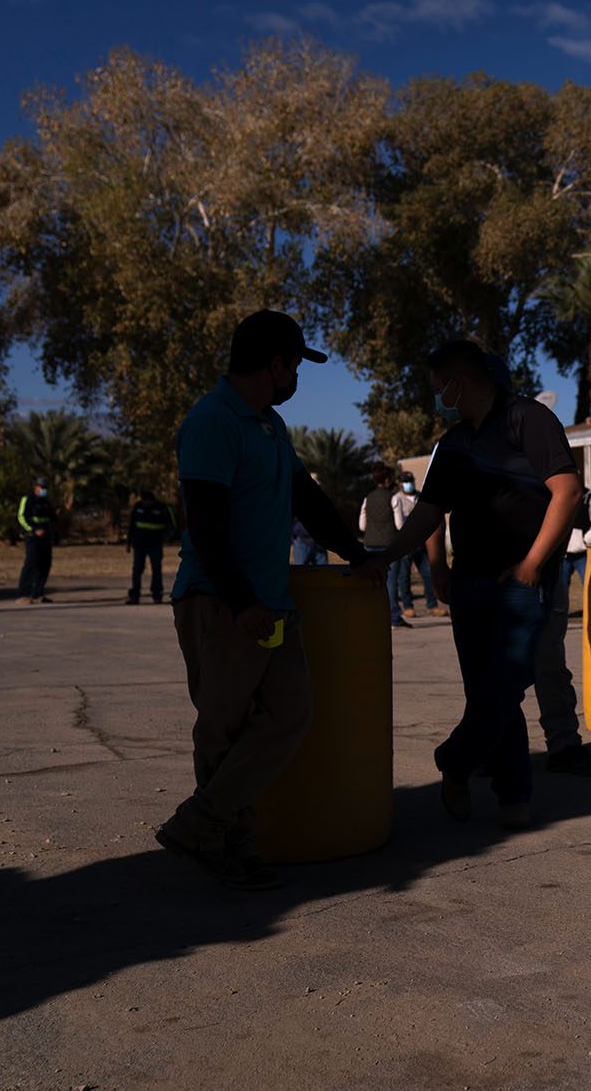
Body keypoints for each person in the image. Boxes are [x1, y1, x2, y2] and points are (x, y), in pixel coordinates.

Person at [157, 310, 367, 889]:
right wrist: (241, 600)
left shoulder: (270, 426)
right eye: (295, 364)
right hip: (221, 603)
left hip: (271, 604)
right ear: (274, 364)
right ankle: (231, 847)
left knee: (291, 712)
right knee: (222, 727)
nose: (297, 375)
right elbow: (205, 521)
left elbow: (307, 498)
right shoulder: (212, 420)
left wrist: (356, 551)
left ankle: (199, 824)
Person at [361, 340, 581, 829]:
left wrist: (531, 563)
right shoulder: (455, 442)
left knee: (504, 687)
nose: (437, 395)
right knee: (488, 692)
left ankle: (454, 761)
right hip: (470, 584)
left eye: (439, 386)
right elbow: (429, 512)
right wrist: (395, 557)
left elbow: (567, 492)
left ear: (459, 382)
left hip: (520, 583)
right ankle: (514, 797)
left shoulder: (529, 420)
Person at [529, 478, 591, 775]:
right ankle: (482, 747)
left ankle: (561, 744)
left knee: (545, 664)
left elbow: (590, 514)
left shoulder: (590, 497)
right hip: (538, 564)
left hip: (554, 560)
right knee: (543, 665)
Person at [358, 463, 409, 629]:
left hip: (370, 545)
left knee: (372, 583)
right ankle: (394, 617)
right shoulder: (394, 498)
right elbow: (400, 524)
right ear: (388, 480)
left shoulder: (368, 498)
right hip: (388, 545)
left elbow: (362, 526)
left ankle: (371, 616)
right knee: (390, 583)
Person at [393, 471, 445, 618]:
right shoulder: (397, 499)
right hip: (406, 542)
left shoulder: (420, 496)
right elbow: (399, 524)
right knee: (404, 576)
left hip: (422, 542)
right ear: (400, 484)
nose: (409, 484)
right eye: (406, 481)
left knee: (428, 574)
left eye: (410, 480)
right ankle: (408, 606)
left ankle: (432, 605)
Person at [126, 488, 178, 605]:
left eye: (147, 501)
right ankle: (135, 596)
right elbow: (131, 526)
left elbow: (172, 526)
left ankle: (157, 595)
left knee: (156, 570)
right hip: (139, 544)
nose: (145, 503)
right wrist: (129, 543)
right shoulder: (137, 507)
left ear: (152, 500)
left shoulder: (162, 508)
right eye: (143, 501)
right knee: (137, 570)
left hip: (155, 544)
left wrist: (164, 539)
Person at [15, 477, 58, 604]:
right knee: (31, 563)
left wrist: (56, 515)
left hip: (45, 536)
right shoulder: (27, 499)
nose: (43, 490)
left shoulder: (45, 502)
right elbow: (21, 517)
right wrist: (33, 530)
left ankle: (37, 593)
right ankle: (23, 594)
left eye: (45, 488)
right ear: (36, 487)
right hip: (32, 537)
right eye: (41, 487)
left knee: (45, 564)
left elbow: (50, 518)